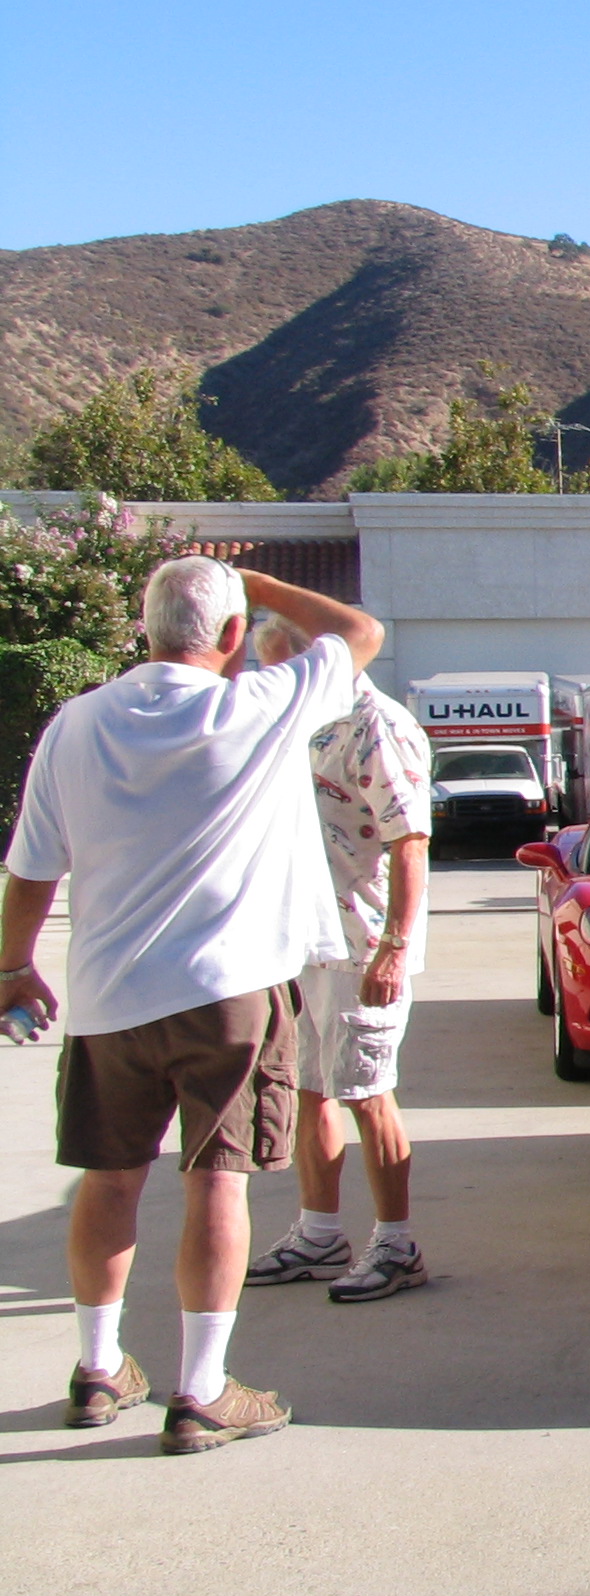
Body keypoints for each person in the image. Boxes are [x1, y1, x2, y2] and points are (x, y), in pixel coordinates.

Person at [0, 558, 384, 1453]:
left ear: (145, 633)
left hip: (107, 995)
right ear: (226, 637)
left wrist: (12, 969)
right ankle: (202, 1388)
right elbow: (360, 635)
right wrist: (261, 585)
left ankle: (100, 1371)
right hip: (230, 994)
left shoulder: (76, 725)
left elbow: (30, 869)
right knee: (218, 1178)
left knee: (111, 1176)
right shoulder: (257, 706)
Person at [245, 612, 432, 1300]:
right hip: (305, 943)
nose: (270, 683)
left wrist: (393, 948)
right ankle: (319, 1235)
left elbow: (410, 840)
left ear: (317, 665)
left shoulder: (377, 727)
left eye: (279, 669)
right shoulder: (301, 724)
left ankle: (397, 1243)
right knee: (310, 1089)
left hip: (362, 946)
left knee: (366, 1093)